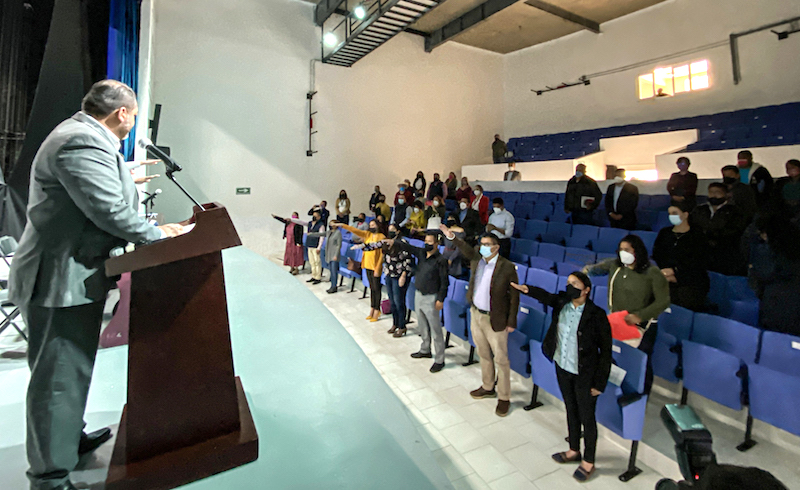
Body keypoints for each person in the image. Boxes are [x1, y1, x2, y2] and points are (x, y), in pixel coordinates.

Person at [7, 79, 185, 490]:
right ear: (122, 112)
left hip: (72, 275)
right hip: (58, 279)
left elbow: (98, 196)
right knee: (57, 376)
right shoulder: (80, 142)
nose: (133, 122)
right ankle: (49, 477)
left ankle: (68, 438)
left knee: (71, 369)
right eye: (134, 115)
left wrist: (126, 182)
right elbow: (107, 210)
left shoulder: (85, 137)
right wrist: (159, 236)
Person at [510, 272, 611, 482]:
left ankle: (589, 461)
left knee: (587, 417)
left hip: (585, 372)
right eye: (568, 283)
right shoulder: (563, 304)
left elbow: (606, 351)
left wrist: (600, 383)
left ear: (586, 290)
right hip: (563, 366)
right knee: (571, 410)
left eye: (575, 284)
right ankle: (574, 450)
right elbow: (545, 296)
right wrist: (527, 289)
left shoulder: (597, 314)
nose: (570, 287)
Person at [441, 225, 520, 416]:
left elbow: (514, 297)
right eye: (481, 244)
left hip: (496, 318)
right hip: (476, 313)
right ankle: (487, 386)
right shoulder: (478, 260)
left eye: (487, 244)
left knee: (501, 359)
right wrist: (452, 237)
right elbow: (465, 248)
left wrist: (511, 321)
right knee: (483, 354)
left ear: (496, 247)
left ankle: (504, 397)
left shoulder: (507, 267)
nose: (482, 247)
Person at [584, 235, 670, 394]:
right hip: (617, 321)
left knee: (641, 362)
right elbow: (594, 269)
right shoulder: (615, 266)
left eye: (627, 250)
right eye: (621, 250)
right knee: (614, 356)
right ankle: (616, 392)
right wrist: (584, 273)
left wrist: (640, 315)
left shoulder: (652, 272)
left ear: (637, 251)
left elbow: (663, 301)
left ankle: (641, 396)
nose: (624, 253)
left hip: (642, 326)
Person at [389, 232, 449, 373]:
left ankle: (440, 359)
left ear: (437, 244)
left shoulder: (441, 260)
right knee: (422, 324)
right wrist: (394, 242)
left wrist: (441, 299)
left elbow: (444, 282)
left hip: (432, 297)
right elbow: (409, 247)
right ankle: (425, 349)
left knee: (435, 329)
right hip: (419, 294)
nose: (427, 244)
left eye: (430, 242)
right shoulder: (422, 253)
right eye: (426, 241)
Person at [747, 206, 800, 336]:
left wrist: (752, 269)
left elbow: (764, 274)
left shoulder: (769, 251)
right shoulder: (793, 247)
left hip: (776, 302)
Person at [652, 202, 710, 311]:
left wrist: (675, 272)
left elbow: (698, 262)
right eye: (669, 213)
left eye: (674, 213)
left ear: (685, 214)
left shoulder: (697, 235)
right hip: (664, 276)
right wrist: (665, 272)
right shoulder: (665, 233)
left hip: (690, 279)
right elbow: (658, 255)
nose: (671, 216)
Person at [331, 220, 386, 321]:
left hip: (375, 266)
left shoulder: (381, 237)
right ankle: (372, 308)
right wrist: (341, 225)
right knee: (371, 288)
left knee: (376, 289)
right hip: (367, 264)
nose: (371, 227)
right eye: (370, 225)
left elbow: (382, 255)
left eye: (373, 225)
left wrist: (378, 268)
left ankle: (377, 309)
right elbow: (354, 230)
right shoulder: (367, 234)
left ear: (378, 226)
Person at [691, 183, 748, 276]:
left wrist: (713, 234)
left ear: (726, 194)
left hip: (725, 252)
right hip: (702, 251)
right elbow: (692, 226)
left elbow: (735, 230)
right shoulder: (699, 210)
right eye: (711, 192)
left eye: (717, 192)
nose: (713, 195)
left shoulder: (735, 211)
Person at [369, 224, 413, 337]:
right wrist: (360, 246)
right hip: (389, 274)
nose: (390, 232)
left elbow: (408, 260)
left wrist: (404, 275)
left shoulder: (402, 243)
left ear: (398, 231)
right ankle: (395, 323)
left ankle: (402, 326)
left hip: (400, 275)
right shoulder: (386, 242)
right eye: (389, 230)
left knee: (399, 301)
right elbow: (374, 246)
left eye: (393, 230)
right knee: (392, 301)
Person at [304, 211, 325, 284]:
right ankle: (313, 275)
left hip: (316, 246)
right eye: (313, 216)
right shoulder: (310, 223)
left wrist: (319, 247)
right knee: (312, 262)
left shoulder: (321, 225)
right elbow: (301, 222)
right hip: (309, 244)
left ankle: (318, 277)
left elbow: (321, 237)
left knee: (317, 262)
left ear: (319, 217)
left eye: (315, 216)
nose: (314, 217)